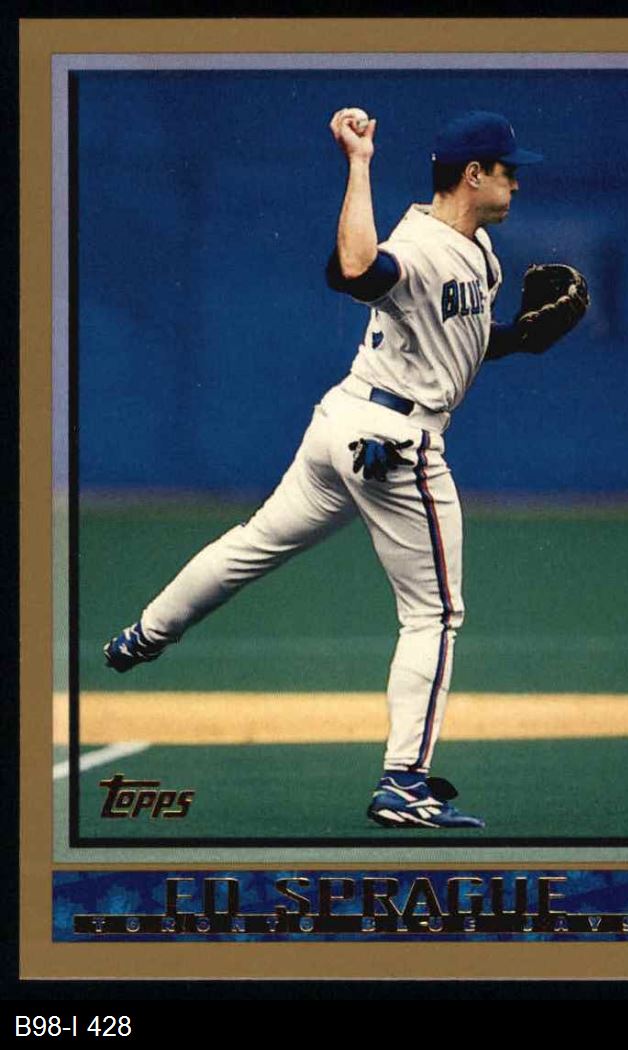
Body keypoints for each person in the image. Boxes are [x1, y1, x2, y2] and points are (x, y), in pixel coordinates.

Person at [103, 108, 588, 830]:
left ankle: (143, 635)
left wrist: (521, 337)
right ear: (473, 174)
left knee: (255, 541)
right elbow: (357, 271)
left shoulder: (480, 251)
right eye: (507, 169)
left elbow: (459, 341)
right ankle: (403, 782)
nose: (516, 182)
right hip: (395, 440)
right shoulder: (417, 245)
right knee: (434, 614)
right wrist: (359, 162)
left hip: (344, 422)